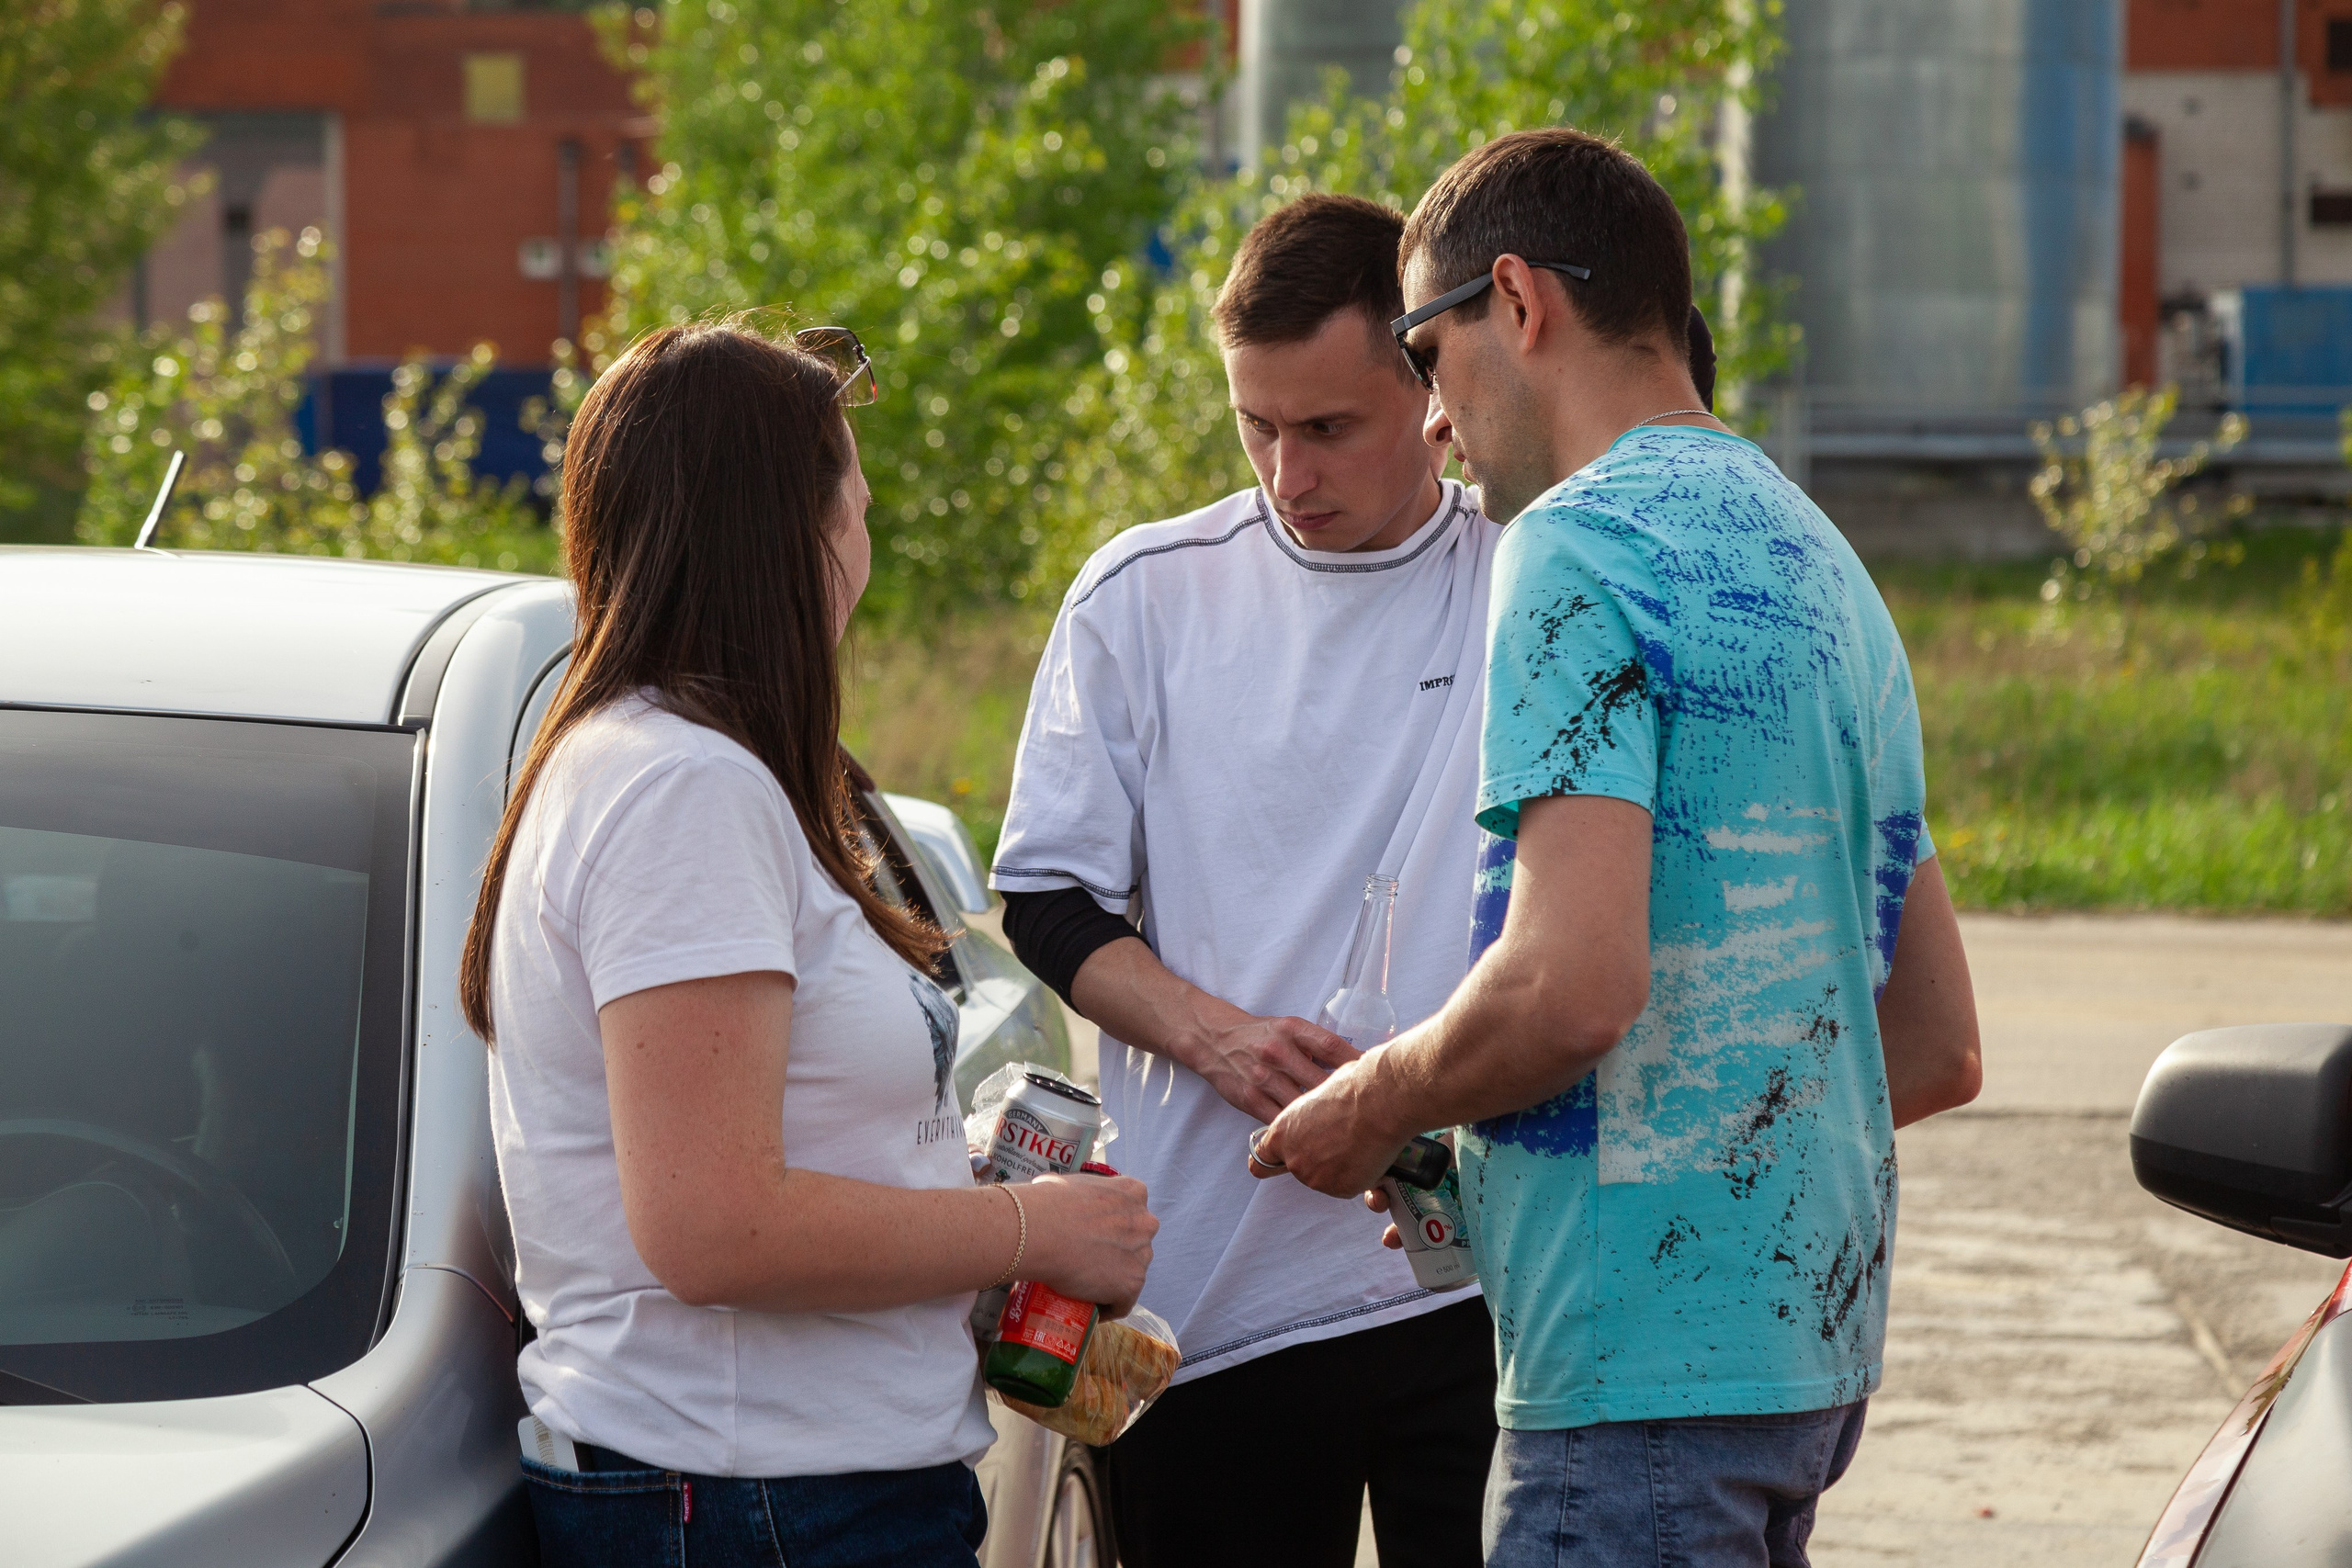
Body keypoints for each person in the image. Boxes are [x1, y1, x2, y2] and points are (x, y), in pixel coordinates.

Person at [1256, 129, 1984, 1568]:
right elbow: (1932, 1038)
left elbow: (1569, 989)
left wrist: (1380, 1105)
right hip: (1797, 1371)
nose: (1435, 422)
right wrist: (1518, 1164)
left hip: (1629, 1390)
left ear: (1517, 304)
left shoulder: (1576, 547)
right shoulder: (1816, 558)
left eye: (1423, 351)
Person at [992, 192, 1709, 1566]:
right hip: (1210, 1298)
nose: (1284, 472)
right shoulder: (1142, 595)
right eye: (1253, 424)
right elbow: (1047, 897)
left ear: (1430, 389)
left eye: (1326, 428)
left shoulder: (1533, 575)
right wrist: (1223, 1039)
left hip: (1483, 1285)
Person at [458, 320, 1157, 1568]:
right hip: (759, 1501)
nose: (868, 547)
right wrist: (1030, 1233)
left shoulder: (676, 768)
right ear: (792, 538)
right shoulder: (682, 789)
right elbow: (715, 1226)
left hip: (771, 1493)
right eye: (859, 509)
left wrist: (956, 1201)